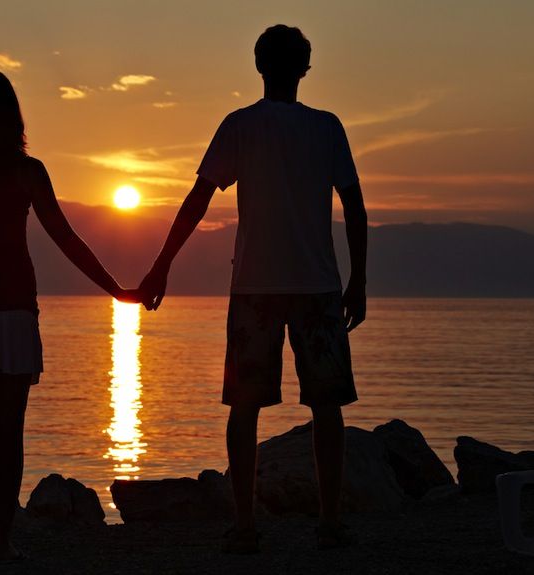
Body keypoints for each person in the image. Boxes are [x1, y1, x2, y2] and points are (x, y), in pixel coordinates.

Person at [138, 24, 368, 553]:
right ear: (304, 69)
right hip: (317, 286)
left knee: (244, 407)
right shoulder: (326, 127)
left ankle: (245, 526)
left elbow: (197, 199)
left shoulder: (240, 126)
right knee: (326, 406)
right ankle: (329, 522)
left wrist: (161, 266)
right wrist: (359, 279)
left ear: (260, 67)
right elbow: (354, 207)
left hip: (256, 289)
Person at [0, 69, 141, 564]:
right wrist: (115, 290)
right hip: (8, 312)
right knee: (7, 433)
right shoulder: (26, 171)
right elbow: (65, 239)